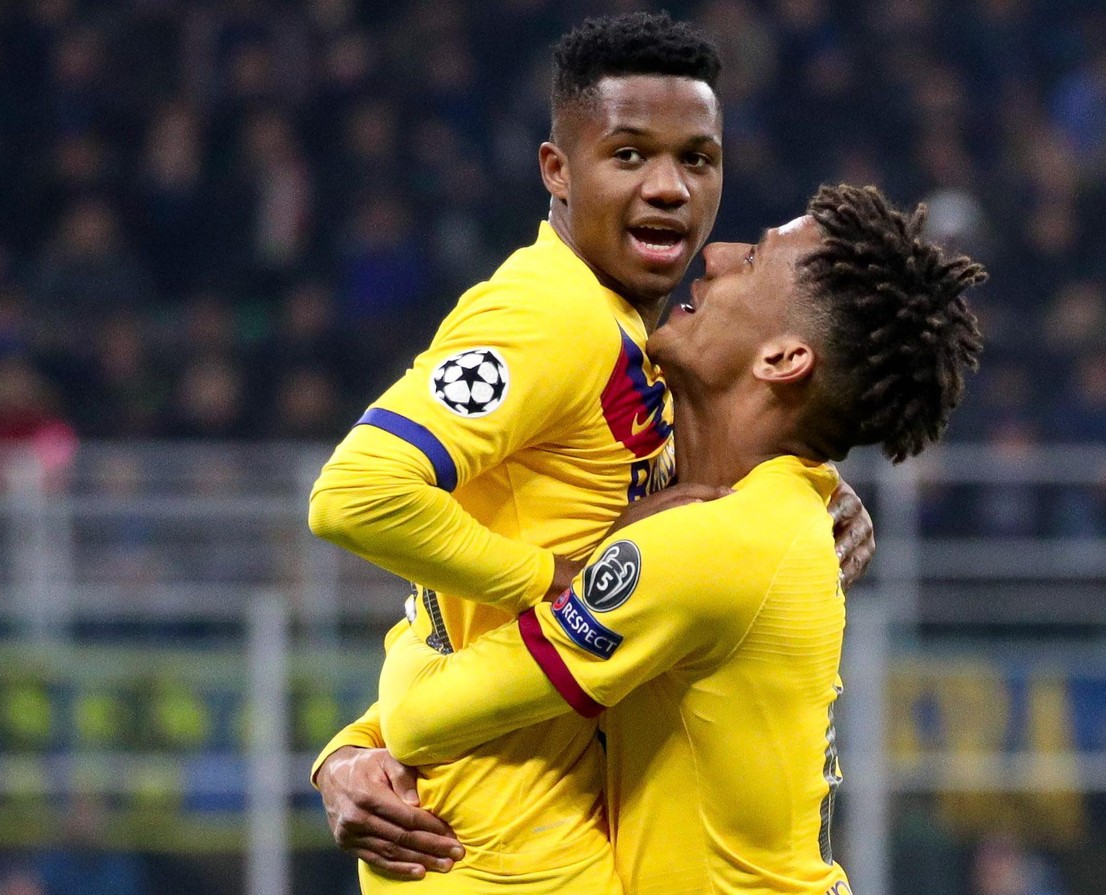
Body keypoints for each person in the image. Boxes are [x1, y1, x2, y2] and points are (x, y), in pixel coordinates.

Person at [305, 13, 875, 891]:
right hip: (491, 857)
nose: (671, 188)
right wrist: (551, 576)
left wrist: (812, 483)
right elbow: (355, 494)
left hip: (551, 834)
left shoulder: (635, 341)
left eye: (698, 158)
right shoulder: (546, 316)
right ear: (557, 171)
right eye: (629, 155)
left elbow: (463, 605)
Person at [375, 184, 985, 894]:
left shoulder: (711, 544)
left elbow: (422, 718)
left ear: (784, 359)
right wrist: (350, 750)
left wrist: (375, 727)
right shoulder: (773, 512)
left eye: (753, 260)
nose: (716, 255)